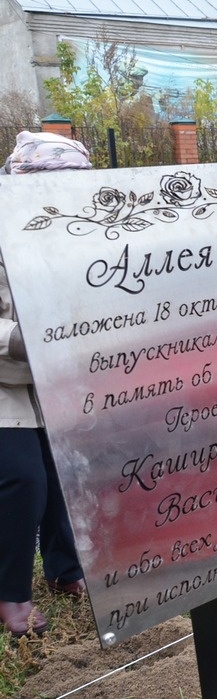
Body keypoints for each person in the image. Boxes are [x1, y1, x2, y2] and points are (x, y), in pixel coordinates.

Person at [1, 132, 88, 638]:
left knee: (64, 475)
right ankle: (10, 591)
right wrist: (26, 338)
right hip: (7, 376)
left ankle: (66, 567)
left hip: (56, 375)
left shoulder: (82, 229)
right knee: (22, 479)